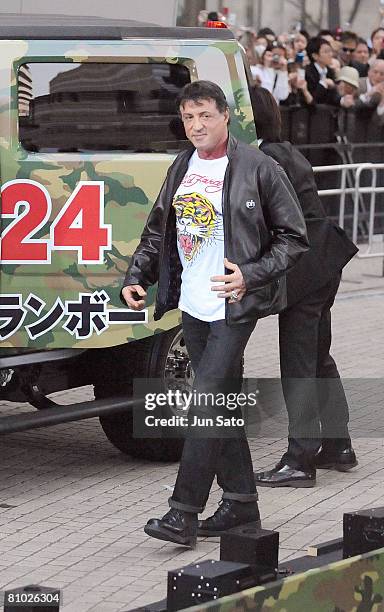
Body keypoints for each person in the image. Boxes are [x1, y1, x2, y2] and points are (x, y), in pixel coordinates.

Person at [122, 80, 308, 546]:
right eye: (188, 117)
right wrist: (135, 277)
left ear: (226, 116)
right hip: (192, 307)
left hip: (233, 306)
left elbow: (294, 238)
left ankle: (182, 512)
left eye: (205, 115)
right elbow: (158, 229)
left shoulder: (258, 167)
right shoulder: (182, 165)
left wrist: (249, 274)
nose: (197, 125)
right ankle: (241, 505)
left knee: (204, 405)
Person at [250, 87, 358, 488]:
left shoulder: (266, 158)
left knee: (298, 362)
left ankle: (300, 458)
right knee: (317, 357)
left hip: (305, 269)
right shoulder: (285, 150)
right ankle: (338, 445)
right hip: (325, 261)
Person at [305, 37, 340, 106]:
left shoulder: (331, 72)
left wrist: (333, 87)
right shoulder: (308, 72)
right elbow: (313, 98)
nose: (330, 54)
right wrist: (323, 84)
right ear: (315, 56)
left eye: (330, 51)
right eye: (326, 52)